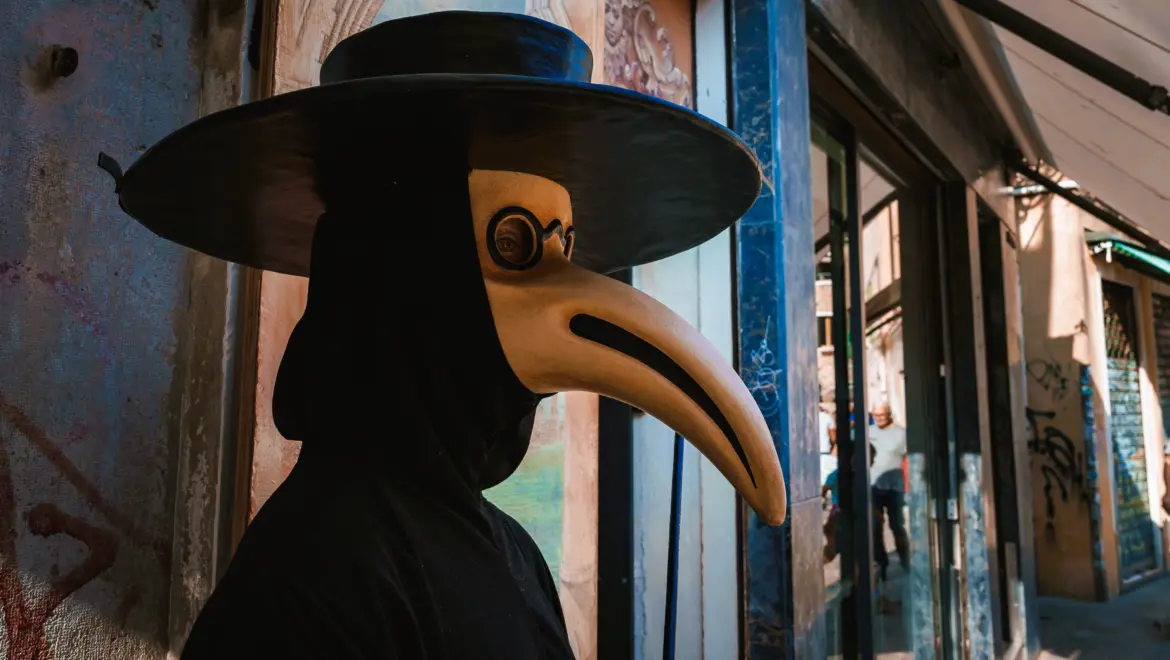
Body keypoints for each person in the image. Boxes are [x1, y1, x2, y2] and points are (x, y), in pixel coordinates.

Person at [100, 12, 787, 659]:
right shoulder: (320, 565)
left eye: (564, 247)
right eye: (514, 243)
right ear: (407, 268)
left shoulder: (508, 550)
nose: (571, 283)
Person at [870, 402, 909, 580]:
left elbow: (910, 459)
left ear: (889, 414)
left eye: (882, 415)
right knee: (875, 528)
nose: (878, 419)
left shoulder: (901, 433)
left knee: (897, 527)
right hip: (874, 487)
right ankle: (882, 565)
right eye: (875, 415)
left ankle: (906, 562)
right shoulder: (869, 432)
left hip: (895, 488)